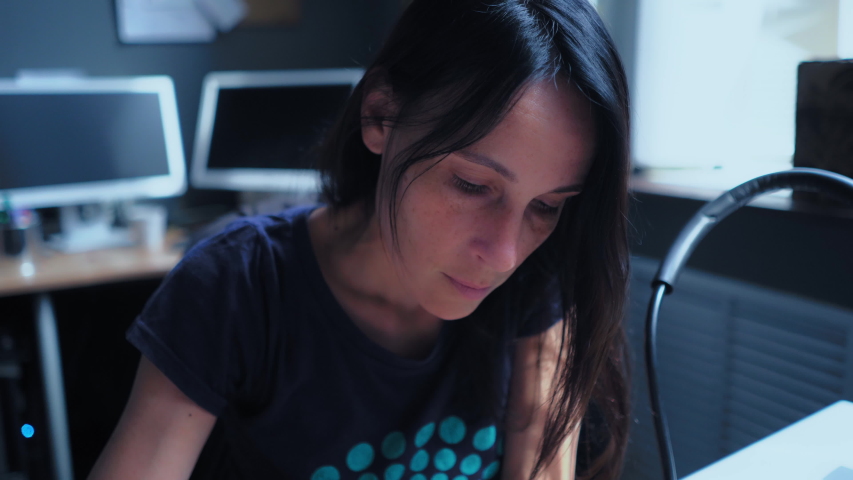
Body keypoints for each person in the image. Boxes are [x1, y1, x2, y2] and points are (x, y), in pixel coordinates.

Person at [88, 0, 631, 478]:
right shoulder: (236, 285)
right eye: (471, 184)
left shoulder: (537, 281)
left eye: (546, 206)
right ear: (380, 115)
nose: (505, 255)